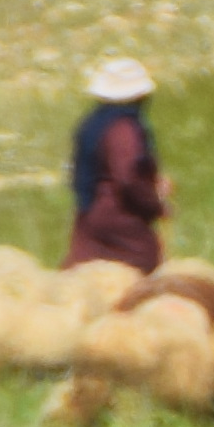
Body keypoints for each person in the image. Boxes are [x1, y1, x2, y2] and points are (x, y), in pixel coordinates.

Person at [67, 58, 170, 275]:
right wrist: (155, 203)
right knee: (144, 267)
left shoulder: (92, 124)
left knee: (80, 271)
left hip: (89, 214)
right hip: (118, 216)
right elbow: (128, 177)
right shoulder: (123, 129)